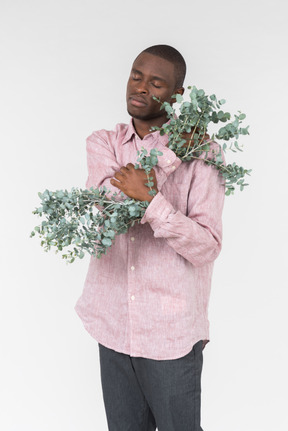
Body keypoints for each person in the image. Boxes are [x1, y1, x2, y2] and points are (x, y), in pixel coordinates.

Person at [75, 44, 225, 431]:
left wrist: (152, 201)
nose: (140, 87)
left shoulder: (204, 154)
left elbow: (206, 246)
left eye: (155, 82)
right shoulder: (103, 143)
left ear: (175, 96)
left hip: (170, 335)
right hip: (112, 325)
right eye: (136, 75)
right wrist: (169, 158)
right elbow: (108, 208)